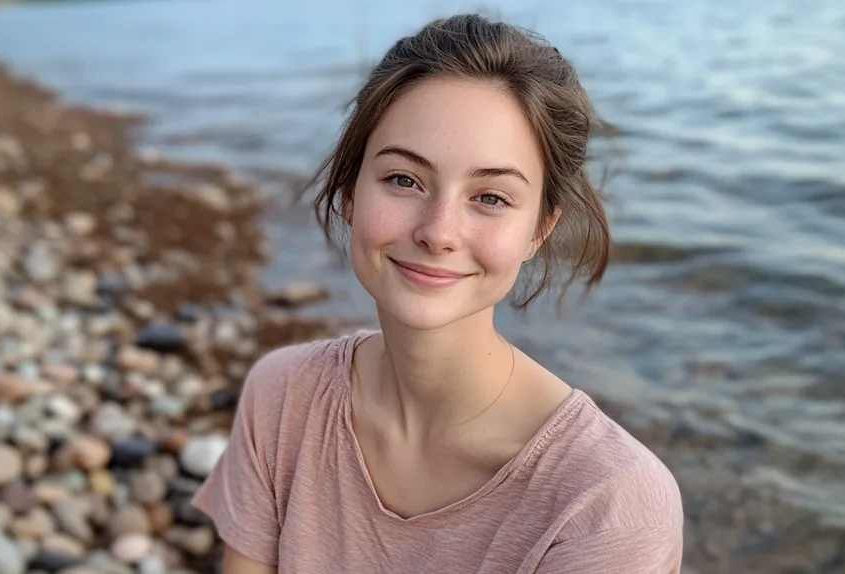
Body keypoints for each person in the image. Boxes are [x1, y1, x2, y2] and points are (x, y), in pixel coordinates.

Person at [191, 13, 684, 573]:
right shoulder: (281, 399)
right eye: (404, 179)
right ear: (351, 193)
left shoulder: (606, 504)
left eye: (491, 198)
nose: (438, 231)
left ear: (540, 230)